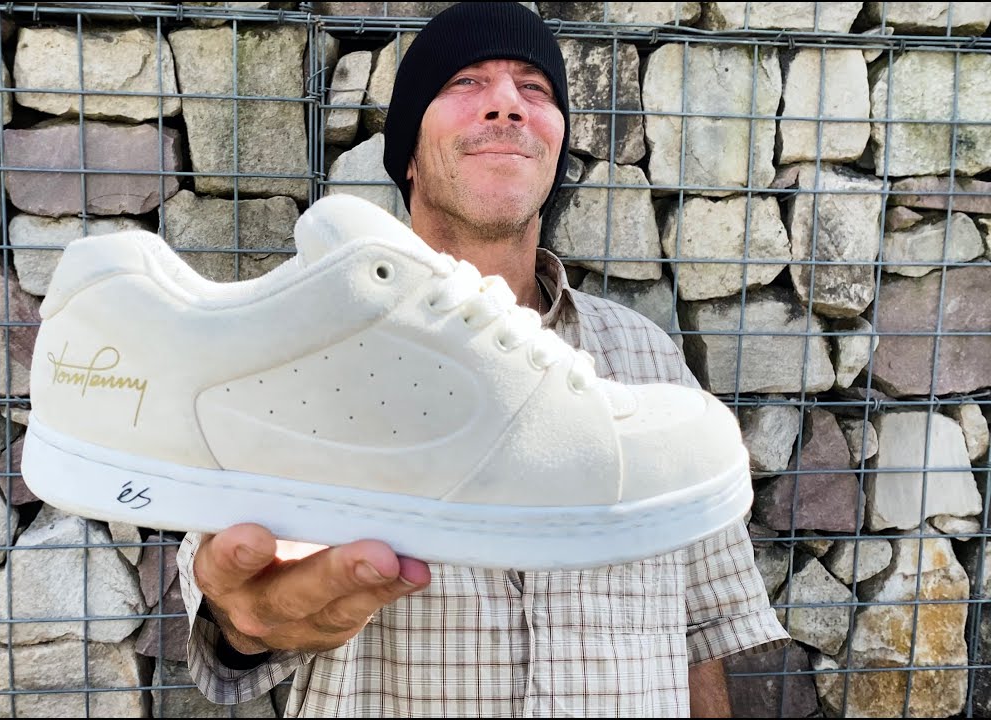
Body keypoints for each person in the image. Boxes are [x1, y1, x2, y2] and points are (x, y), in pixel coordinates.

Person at [175, 3, 790, 716]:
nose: (506, 103)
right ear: (408, 154)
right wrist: (246, 623)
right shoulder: (306, 348)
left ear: (556, 149)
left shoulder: (649, 361)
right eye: (465, 82)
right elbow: (235, 598)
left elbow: (700, 634)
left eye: (534, 88)